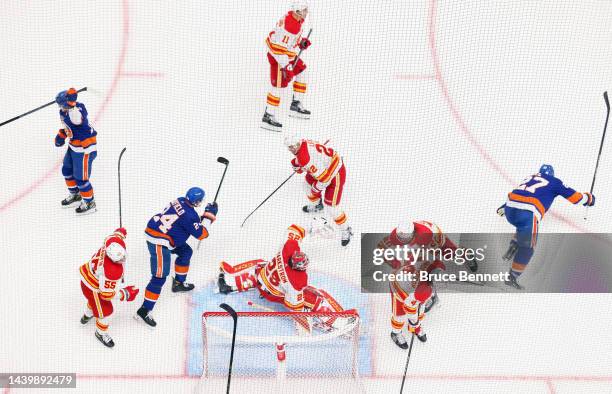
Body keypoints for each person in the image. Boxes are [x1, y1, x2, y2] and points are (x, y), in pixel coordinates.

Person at [498, 164, 595, 289]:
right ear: (552, 174)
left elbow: (521, 193)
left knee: (521, 226)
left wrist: (503, 207)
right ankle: (511, 278)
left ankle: (513, 245)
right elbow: (576, 198)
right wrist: (589, 198)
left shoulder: (530, 177)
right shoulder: (555, 182)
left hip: (510, 209)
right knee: (528, 248)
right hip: (527, 213)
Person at [136, 187, 218, 327]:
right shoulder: (190, 215)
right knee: (159, 278)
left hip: (161, 233)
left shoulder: (180, 200)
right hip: (159, 242)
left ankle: (178, 283)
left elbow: (187, 220)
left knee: (186, 252)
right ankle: (144, 310)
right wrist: (209, 215)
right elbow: (201, 234)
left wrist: (202, 217)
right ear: (198, 201)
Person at [285, 135, 353, 246]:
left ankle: (346, 230)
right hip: (324, 167)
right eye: (289, 147)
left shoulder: (304, 158)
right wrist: (297, 164)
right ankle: (318, 205)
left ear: (298, 144)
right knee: (306, 185)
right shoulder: (303, 143)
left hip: (336, 172)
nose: (291, 149)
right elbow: (307, 159)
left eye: (293, 146)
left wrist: (315, 189)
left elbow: (325, 179)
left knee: (331, 207)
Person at [79, 228, 139, 348]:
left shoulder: (111, 241)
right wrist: (125, 294)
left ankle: (87, 314)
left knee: (94, 302)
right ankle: (100, 333)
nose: (123, 260)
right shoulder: (111, 271)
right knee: (107, 312)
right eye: (119, 259)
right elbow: (106, 295)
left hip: (86, 275)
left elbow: (116, 236)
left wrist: (120, 233)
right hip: (93, 287)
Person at [262, 1, 312, 131]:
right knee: (278, 86)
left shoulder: (295, 20)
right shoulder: (290, 25)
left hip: (286, 55)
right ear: (297, 11)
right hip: (278, 58)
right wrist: (287, 67)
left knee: (302, 71)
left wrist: (301, 43)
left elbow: (289, 41)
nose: (306, 13)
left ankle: (295, 105)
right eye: (304, 10)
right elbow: (278, 49)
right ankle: (268, 116)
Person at [54, 88, 98, 214]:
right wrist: (61, 136)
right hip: (73, 146)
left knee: (81, 178)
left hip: (85, 149)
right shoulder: (63, 112)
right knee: (66, 170)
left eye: (61, 104)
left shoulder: (77, 110)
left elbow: (77, 120)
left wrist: (72, 103)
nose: (60, 107)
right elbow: (70, 127)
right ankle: (75, 195)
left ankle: (90, 202)